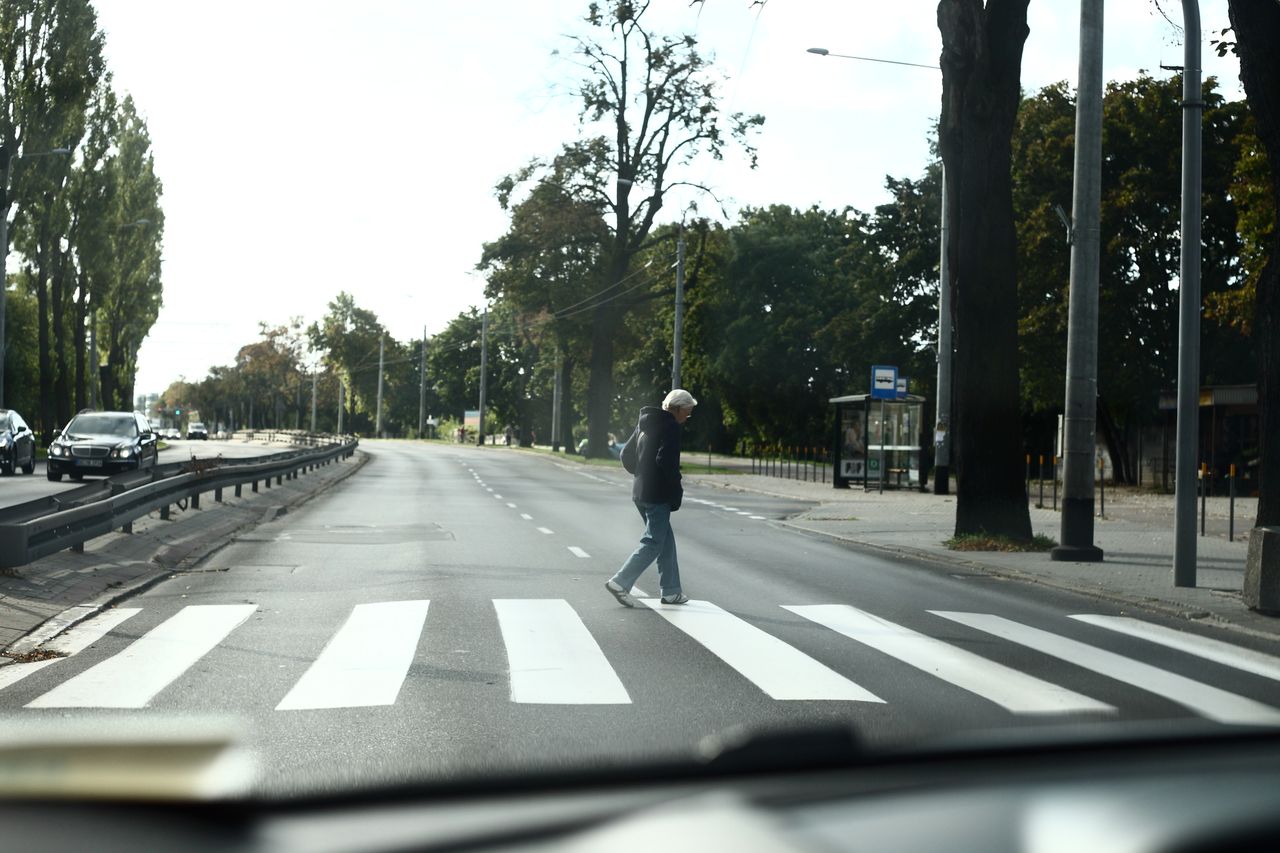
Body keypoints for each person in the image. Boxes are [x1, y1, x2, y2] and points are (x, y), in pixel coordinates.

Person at [605, 389, 697, 607]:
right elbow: (667, 462)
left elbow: (625, 454)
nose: (686, 418)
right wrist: (676, 489)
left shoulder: (645, 423)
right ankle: (620, 582)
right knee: (653, 542)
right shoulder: (671, 426)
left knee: (665, 541)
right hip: (658, 494)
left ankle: (671, 591)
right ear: (678, 409)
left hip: (641, 492)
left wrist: (642, 475)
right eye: (687, 413)